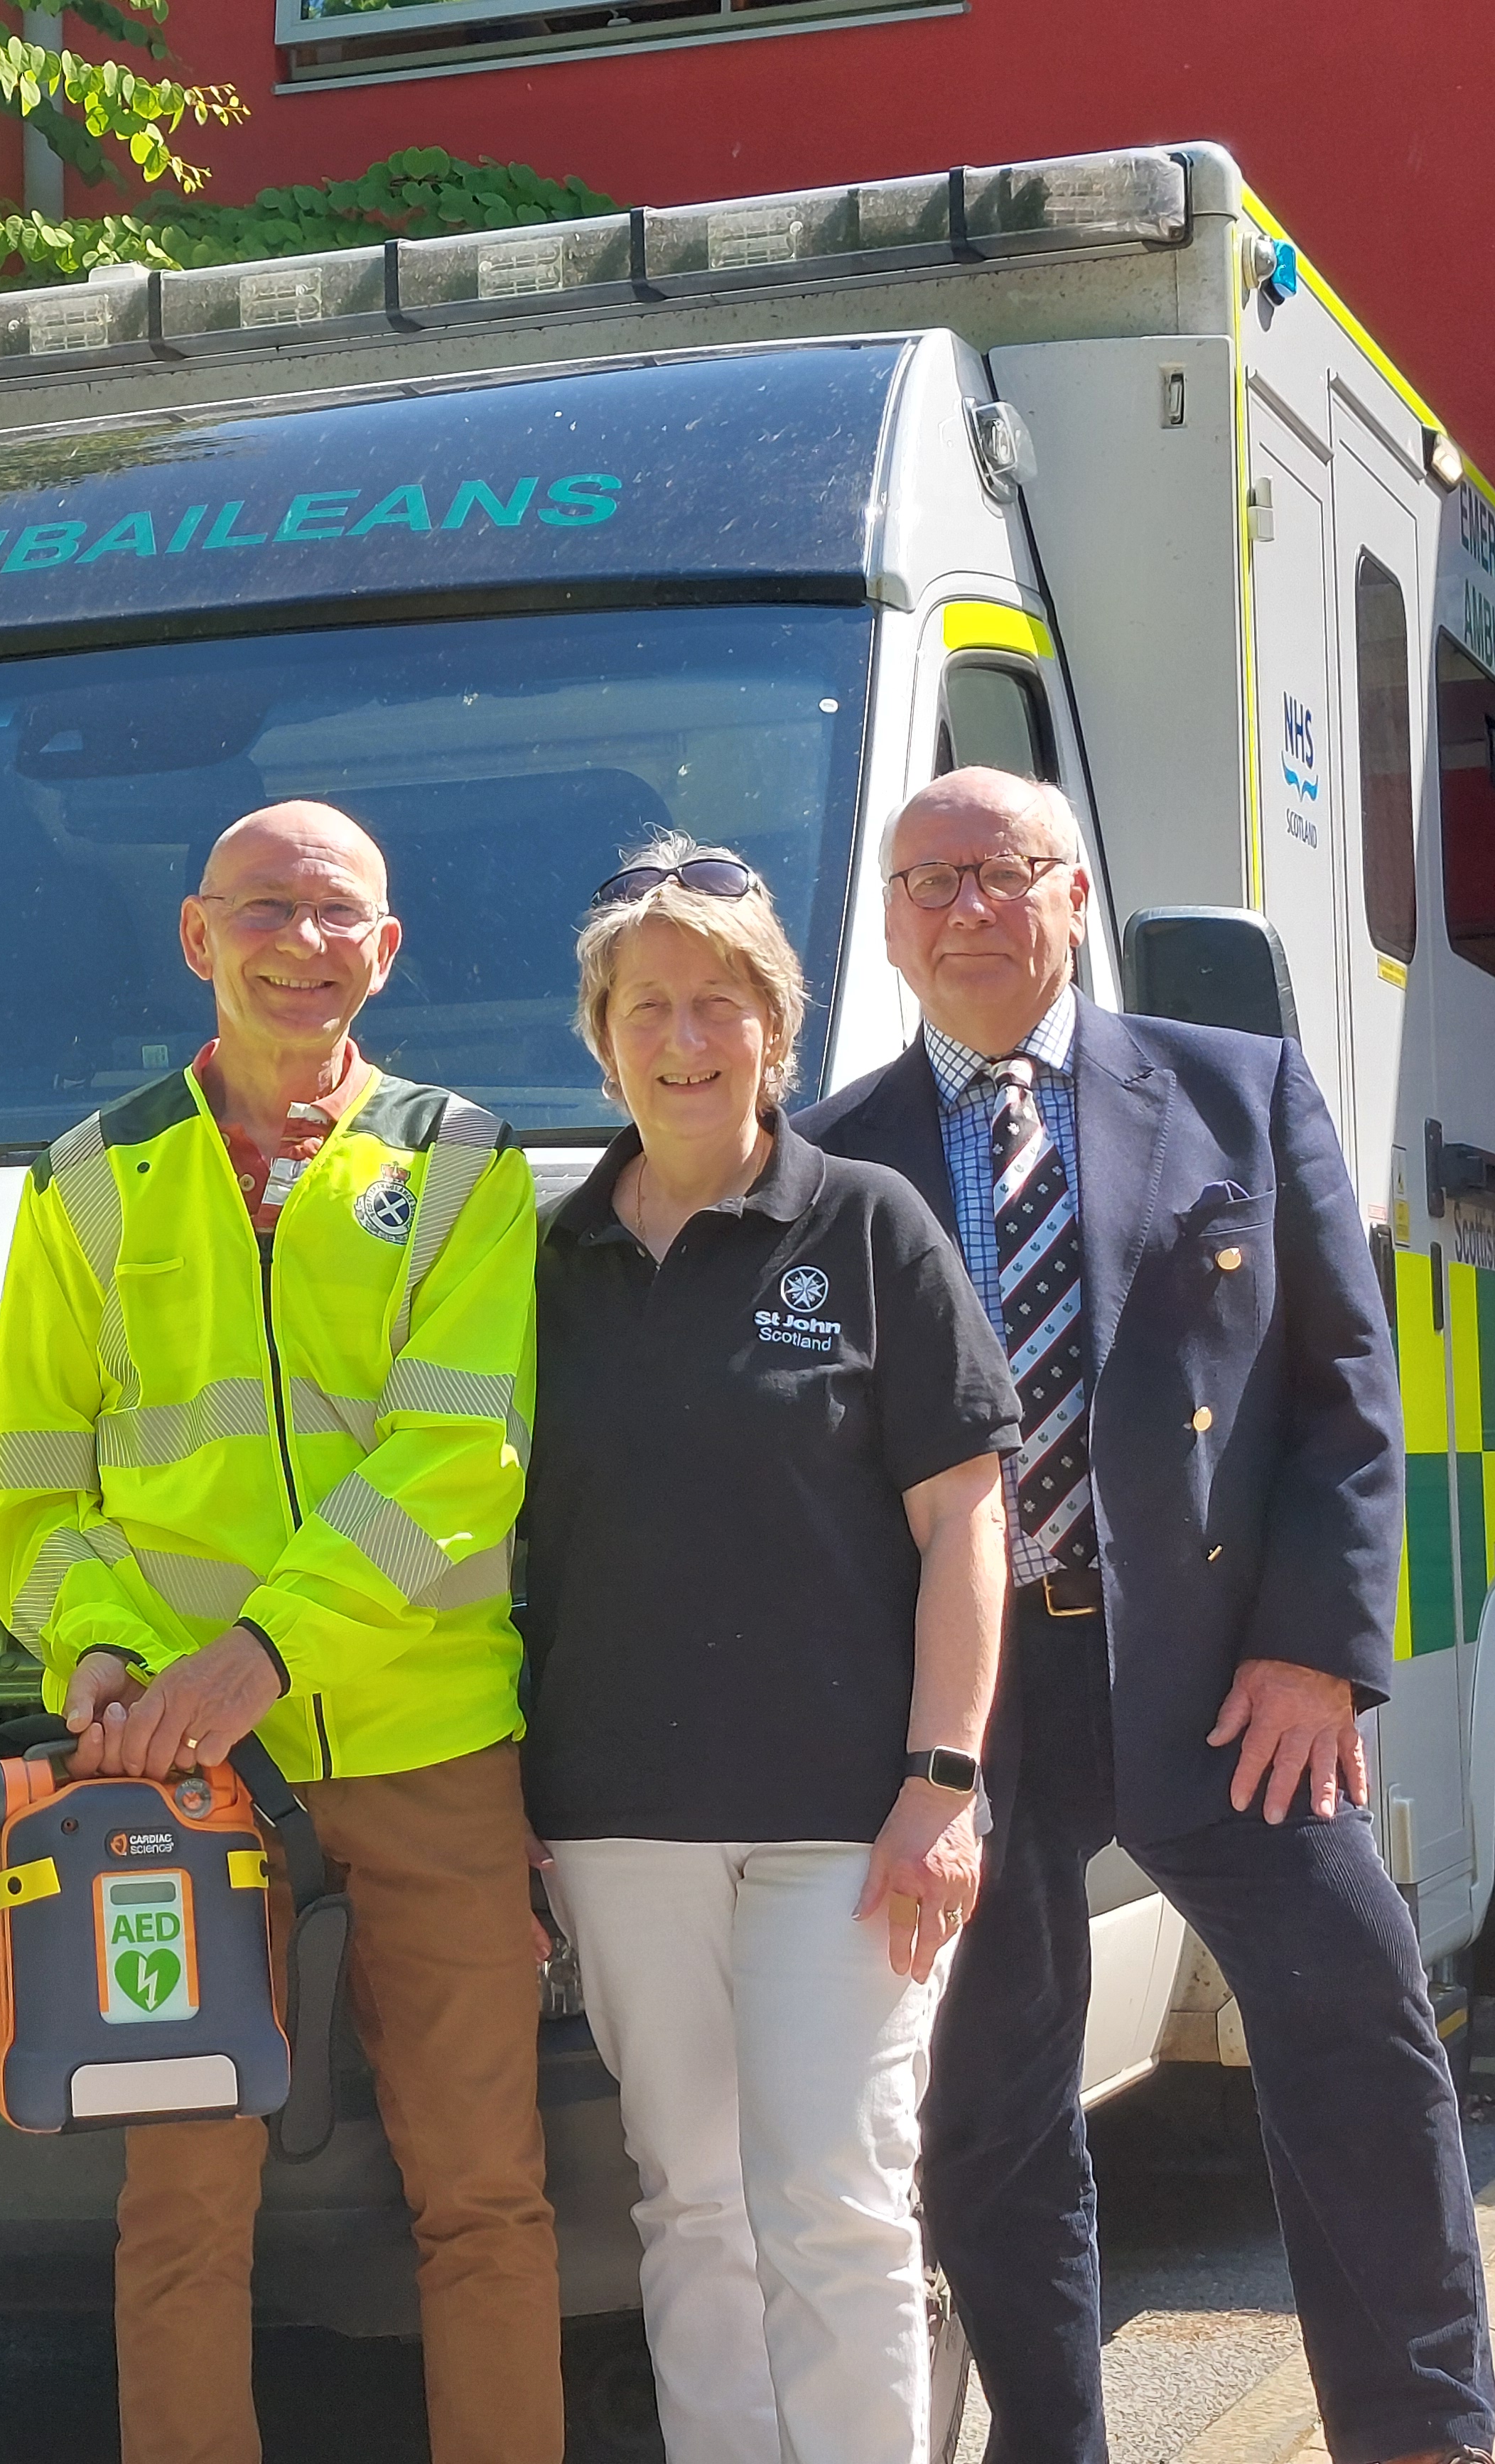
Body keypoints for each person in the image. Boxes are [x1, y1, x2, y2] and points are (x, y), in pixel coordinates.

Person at [799, 767, 1495, 2464]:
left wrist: (1317, 1648)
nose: (960, 906)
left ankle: (1420, 2438)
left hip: (1220, 1670)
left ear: (1072, 894)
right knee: (985, 2110)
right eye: (922, 882)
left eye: (997, 872)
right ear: (886, 928)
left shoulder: (1235, 1089)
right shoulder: (825, 1158)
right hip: (971, 1698)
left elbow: (1343, 1384)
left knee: (1355, 2029)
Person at [0, 801, 560, 2464]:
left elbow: (459, 1459)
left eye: (337, 916)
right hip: (168, 1777)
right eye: (266, 911)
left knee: (486, 2198)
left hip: (428, 1745)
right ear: (194, 936)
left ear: (386, 950)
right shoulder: (84, 1182)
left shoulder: (463, 1162)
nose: (302, 943)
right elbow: (24, 1485)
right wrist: (91, 1655)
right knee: (177, 2210)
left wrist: (268, 1651)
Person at [520, 838, 1013, 2464]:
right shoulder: (537, 1263)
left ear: (773, 1032)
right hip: (613, 1821)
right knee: (691, 2205)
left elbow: (965, 1522)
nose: (682, 1040)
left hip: (844, 1828)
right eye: (645, 1006)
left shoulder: (865, 1227)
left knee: (835, 2203)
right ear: (596, 1039)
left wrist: (943, 1779)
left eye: (717, 1004)